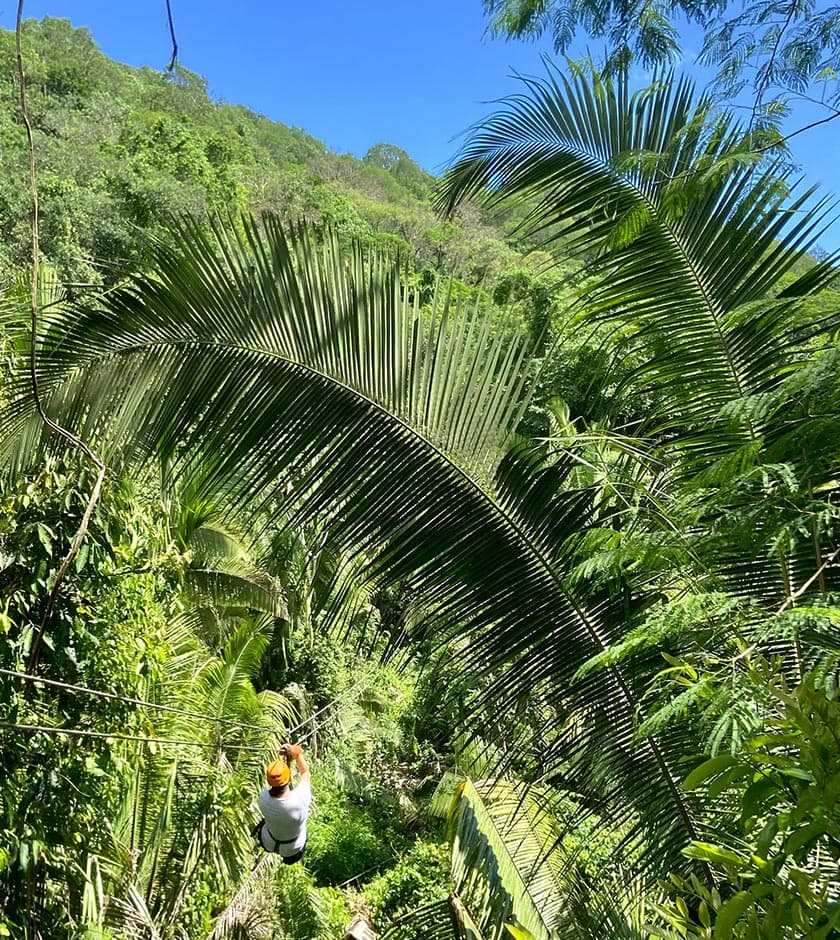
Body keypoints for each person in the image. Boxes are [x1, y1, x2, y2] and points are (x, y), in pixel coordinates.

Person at [255, 742, 312, 865]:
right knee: (293, 856)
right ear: (288, 777)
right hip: (293, 848)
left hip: (268, 841)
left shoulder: (263, 798)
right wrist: (297, 754)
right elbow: (305, 772)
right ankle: (288, 859)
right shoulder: (300, 800)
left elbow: (276, 785)